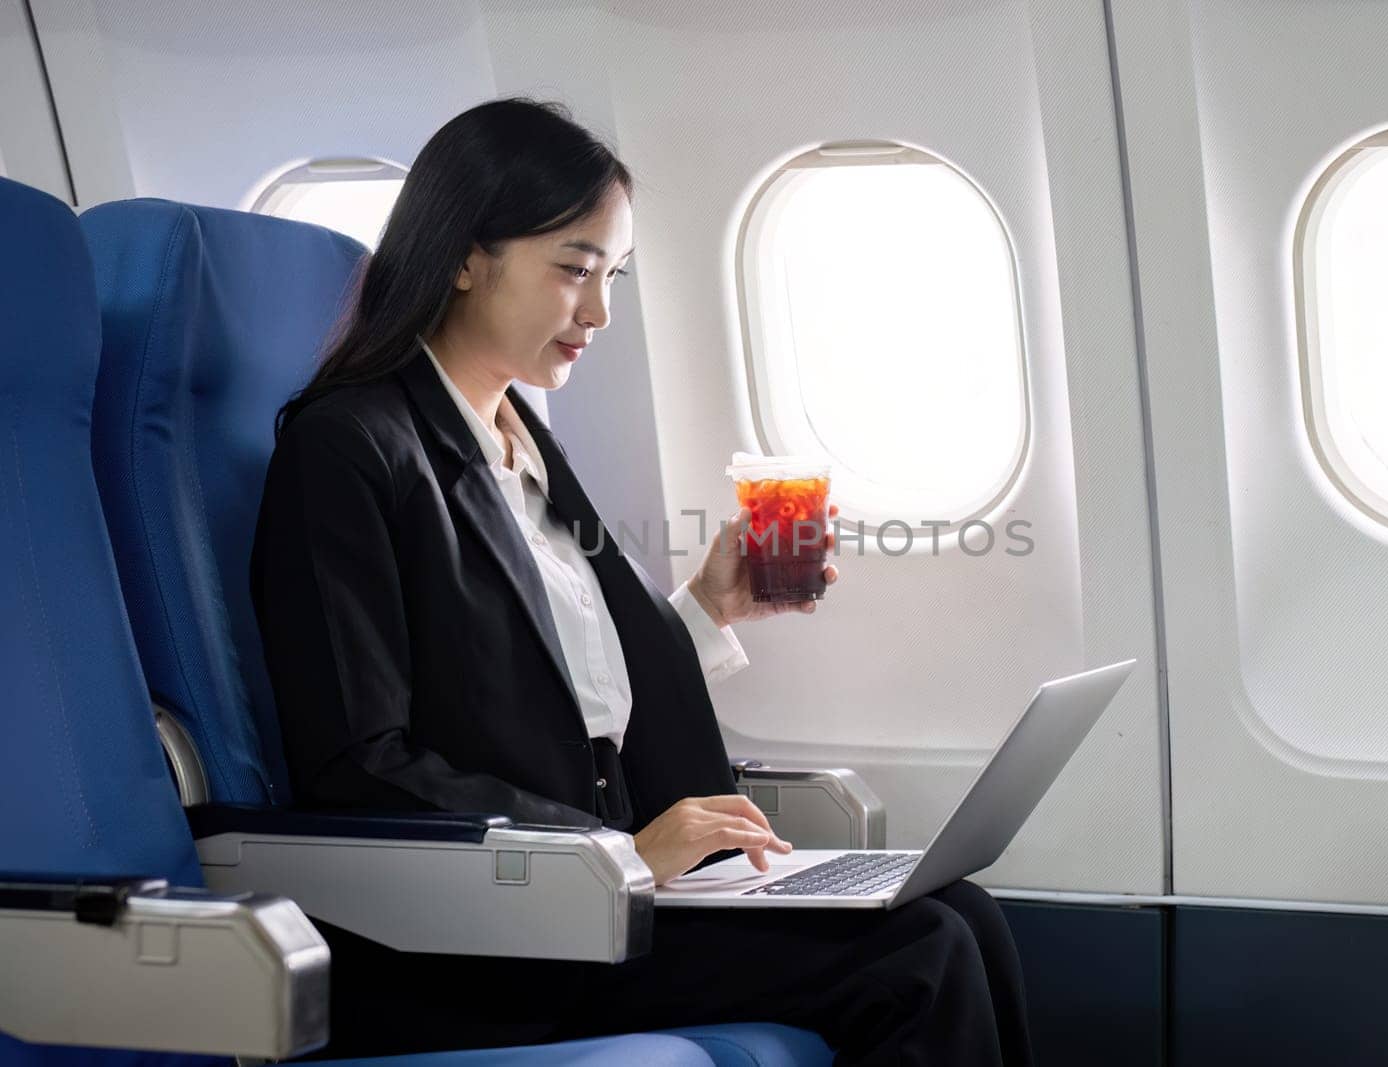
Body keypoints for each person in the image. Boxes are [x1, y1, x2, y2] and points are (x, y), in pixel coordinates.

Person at [251, 97, 1033, 1066]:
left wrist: (711, 607)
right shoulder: (348, 449)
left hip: (603, 893)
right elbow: (357, 762)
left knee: (963, 910)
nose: (600, 312)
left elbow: (577, 690)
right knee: (919, 956)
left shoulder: (522, 438)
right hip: (491, 933)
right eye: (574, 269)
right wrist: (613, 851)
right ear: (463, 255)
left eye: (612, 274)